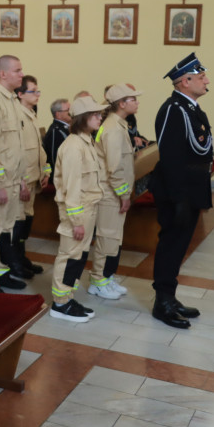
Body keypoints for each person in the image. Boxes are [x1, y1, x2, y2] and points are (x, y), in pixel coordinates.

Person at [150, 53, 213, 329]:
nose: (206, 81)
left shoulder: (192, 108)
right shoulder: (173, 109)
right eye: (201, 77)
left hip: (192, 189)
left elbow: (199, 146)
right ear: (185, 82)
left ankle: (170, 297)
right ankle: (162, 302)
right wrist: (178, 199)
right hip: (179, 192)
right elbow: (170, 156)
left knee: (179, 247)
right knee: (171, 244)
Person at [50, 96, 106, 322]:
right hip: (78, 213)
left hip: (88, 210)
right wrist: (76, 221)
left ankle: (67, 297)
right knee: (69, 257)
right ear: (83, 118)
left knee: (78, 257)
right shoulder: (74, 147)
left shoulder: (87, 141)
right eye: (95, 114)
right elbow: (71, 188)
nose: (100, 117)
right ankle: (59, 304)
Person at [88, 83, 140, 301]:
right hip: (110, 194)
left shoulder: (118, 125)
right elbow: (114, 167)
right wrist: (124, 195)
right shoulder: (111, 128)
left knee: (113, 238)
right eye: (133, 99)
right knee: (106, 238)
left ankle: (106, 277)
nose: (137, 102)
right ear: (121, 104)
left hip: (115, 193)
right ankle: (98, 280)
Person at [0, 55, 30, 288]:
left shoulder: (11, 100)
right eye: (18, 70)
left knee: (6, 230)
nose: (22, 74)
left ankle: (1, 273)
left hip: (12, 180)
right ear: (3, 74)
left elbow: (15, 145)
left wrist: (20, 179)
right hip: (0, 182)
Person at [12, 75, 50, 278]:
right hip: (22, 180)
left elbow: (38, 148)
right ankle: (13, 263)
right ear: (20, 94)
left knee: (26, 223)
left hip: (33, 178)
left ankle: (21, 258)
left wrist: (45, 170)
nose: (37, 95)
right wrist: (19, 183)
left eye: (38, 90)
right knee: (17, 225)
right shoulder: (16, 115)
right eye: (32, 91)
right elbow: (15, 151)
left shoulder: (31, 113)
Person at [43, 98, 71, 181]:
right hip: (61, 177)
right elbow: (55, 159)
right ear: (58, 114)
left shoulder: (66, 128)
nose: (72, 112)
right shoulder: (56, 131)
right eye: (68, 110)